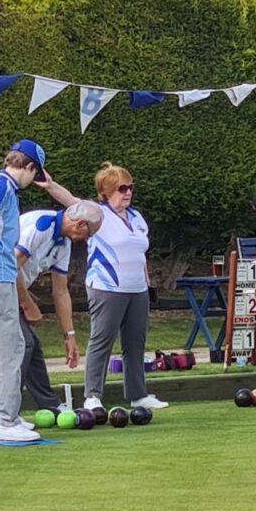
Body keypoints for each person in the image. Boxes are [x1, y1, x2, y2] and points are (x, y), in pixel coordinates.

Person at [0, 139, 52, 441]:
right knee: (9, 349)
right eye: (35, 174)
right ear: (29, 167)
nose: (34, 181)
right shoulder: (2, 188)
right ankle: (7, 420)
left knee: (0, 349)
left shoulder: (1, 187)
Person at [82, 163, 168, 413]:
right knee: (102, 339)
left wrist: (148, 284)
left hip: (137, 288)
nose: (128, 192)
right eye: (121, 188)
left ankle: (137, 394)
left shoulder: (136, 218)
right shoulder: (97, 214)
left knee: (135, 342)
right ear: (107, 191)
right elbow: (70, 201)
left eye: (130, 187)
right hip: (106, 287)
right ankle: (92, 396)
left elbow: (139, 253)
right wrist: (51, 184)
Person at [15, 199, 104, 415]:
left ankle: (51, 405)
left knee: (31, 345)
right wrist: (28, 304)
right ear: (80, 224)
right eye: (90, 234)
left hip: (12, 290)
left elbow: (61, 291)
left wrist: (69, 336)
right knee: (21, 344)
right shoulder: (41, 226)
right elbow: (10, 265)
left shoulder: (63, 242)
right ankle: (7, 411)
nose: (87, 239)